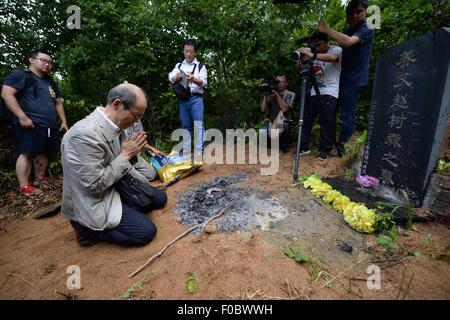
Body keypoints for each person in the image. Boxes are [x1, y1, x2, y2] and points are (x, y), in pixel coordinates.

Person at [61, 83, 167, 247]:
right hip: (95, 197)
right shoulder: (83, 135)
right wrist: (126, 156)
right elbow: (93, 185)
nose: (134, 123)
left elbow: (125, 161)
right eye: (135, 116)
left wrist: (132, 157)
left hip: (115, 185)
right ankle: (87, 231)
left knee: (160, 199)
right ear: (117, 105)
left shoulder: (116, 124)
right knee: (145, 232)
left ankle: (125, 209)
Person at [1, 49, 68, 196]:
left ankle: (40, 179)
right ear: (31, 60)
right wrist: (22, 117)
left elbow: (57, 102)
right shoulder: (21, 75)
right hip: (29, 122)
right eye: (43, 60)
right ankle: (24, 186)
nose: (47, 64)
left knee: (44, 151)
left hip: (49, 124)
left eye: (50, 62)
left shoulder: (49, 81)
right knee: (27, 153)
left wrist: (63, 121)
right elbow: (6, 93)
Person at [317, 0, 374, 156]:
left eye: (359, 11)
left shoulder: (367, 27)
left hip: (354, 80)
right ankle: (329, 144)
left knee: (347, 114)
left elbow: (348, 42)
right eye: (351, 12)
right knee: (330, 112)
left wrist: (326, 29)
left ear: (366, 12)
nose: (355, 15)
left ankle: (343, 147)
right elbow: (336, 48)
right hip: (339, 79)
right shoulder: (346, 30)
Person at [297, 32, 342, 160]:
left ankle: (325, 150)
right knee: (306, 119)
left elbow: (333, 58)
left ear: (327, 41)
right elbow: (301, 71)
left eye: (319, 44)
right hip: (314, 91)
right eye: (314, 45)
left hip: (329, 91)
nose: (317, 47)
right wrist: (302, 60)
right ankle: (303, 147)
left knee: (326, 121)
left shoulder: (336, 49)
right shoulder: (313, 52)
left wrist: (312, 54)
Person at [168, 39, 208, 161]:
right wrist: (176, 77)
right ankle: (186, 152)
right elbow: (170, 77)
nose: (188, 54)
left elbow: (204, 82)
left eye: (191, 52)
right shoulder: (179, 65)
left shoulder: (200, 66)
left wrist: (194, 79)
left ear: (195, 52)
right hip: (183, 99)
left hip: (196, 98)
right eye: (186, 51)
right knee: (186, 126)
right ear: (183, 52)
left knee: (198, 125)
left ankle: (199, 152)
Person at [260, 72, 296, 153]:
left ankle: (284, 146)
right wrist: (265, 95)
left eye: (281, 82)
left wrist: (276, 94)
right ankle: (269, 146)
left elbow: (285, 109)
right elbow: (263, 109)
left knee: (285, 126)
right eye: (277, 82)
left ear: (286, 83)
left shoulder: (291, 94)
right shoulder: (270, 94)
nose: (279, 84)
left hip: (284, 121)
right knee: (262, 131)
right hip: (271, 121)